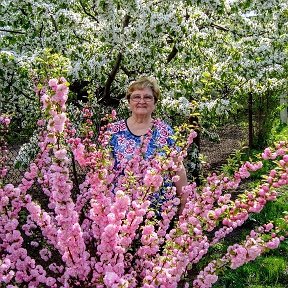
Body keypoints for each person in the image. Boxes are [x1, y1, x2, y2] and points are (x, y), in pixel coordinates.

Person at [109, 76, 188, 214]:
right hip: (121, 210)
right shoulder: (114, 131)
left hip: (159, 211)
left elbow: (178, 169)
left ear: (155, 102)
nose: (141, 101)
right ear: (129, 102)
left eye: (147, 97)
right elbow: (105, 170)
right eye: (136, 97)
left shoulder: (165, 132)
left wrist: (184, 203)